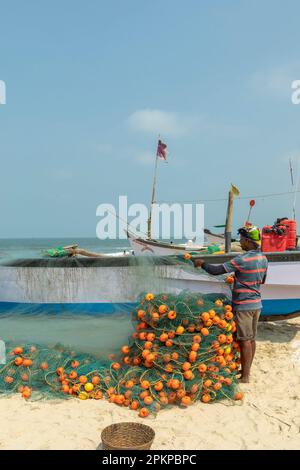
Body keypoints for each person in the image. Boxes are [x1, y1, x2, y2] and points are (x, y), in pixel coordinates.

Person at [193, 225, 268, 383]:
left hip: (244, 306)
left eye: (242, 239)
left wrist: (202, 263)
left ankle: (245, 376)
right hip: (257, 304)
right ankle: (246, 369)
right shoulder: (263, 258)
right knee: (251, 338)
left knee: (244, 340)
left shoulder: (242, 259)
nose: (240, 241)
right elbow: (263, 280)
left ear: (248, 241)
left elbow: (217, 270)